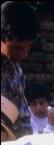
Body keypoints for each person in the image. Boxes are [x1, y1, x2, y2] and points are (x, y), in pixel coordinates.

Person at [1, 1, 38, 137]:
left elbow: (23, 118)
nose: (24, 55)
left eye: (28, 47)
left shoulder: (15, 69)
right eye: (16, 47)